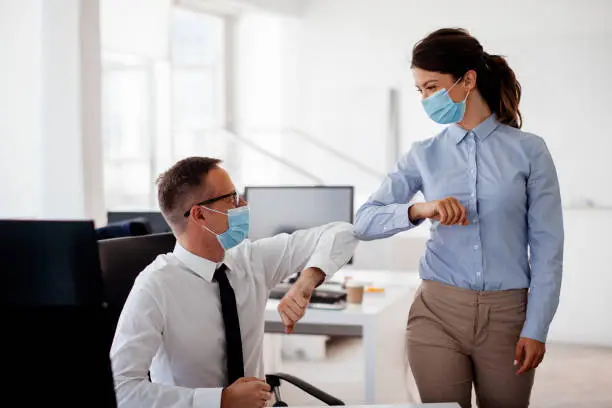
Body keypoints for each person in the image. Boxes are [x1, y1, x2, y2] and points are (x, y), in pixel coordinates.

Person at [354, 28, 563, 408]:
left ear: (469, 80)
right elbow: (364, 222)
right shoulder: (422, 155)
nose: (426, 99)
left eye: (432, 87)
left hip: (507, 315)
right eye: (420, 90)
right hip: (436, 311)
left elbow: (549, 248)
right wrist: (420, 209)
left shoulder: (529, 151)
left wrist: (537, 327)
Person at [110, 156, 358, 408]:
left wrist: (306, 282)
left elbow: (344, 232)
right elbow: (121, 389)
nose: (244, 204)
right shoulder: (155, 286)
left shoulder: (251, 259)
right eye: (232, 198)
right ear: (200, 215)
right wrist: (220, 400)